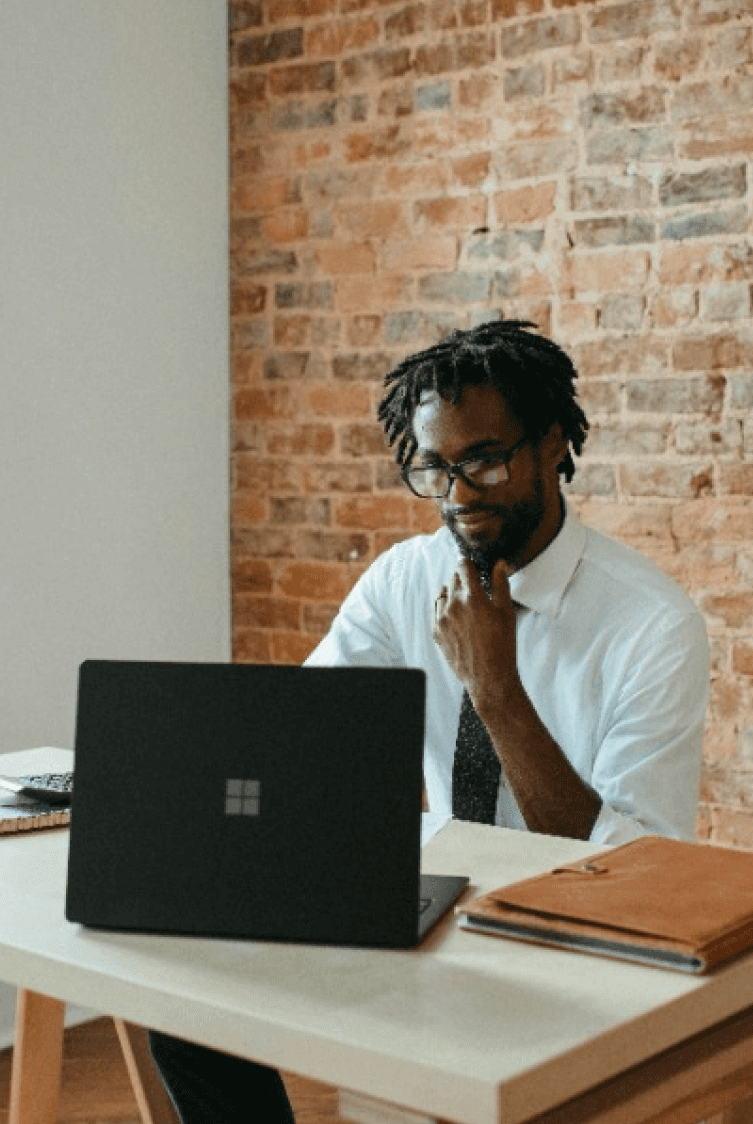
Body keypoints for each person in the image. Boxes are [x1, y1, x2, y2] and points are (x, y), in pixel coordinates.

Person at [148, 319, 711, 1123]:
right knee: (184, 999)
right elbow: (302, 735)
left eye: (483, 460)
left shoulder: (652, 625)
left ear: (553, 445)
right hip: (436, 909)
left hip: (573, 943)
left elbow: (631, 875)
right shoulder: (404, 581)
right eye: (433, 468)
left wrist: (496, 690)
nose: (457, 496)